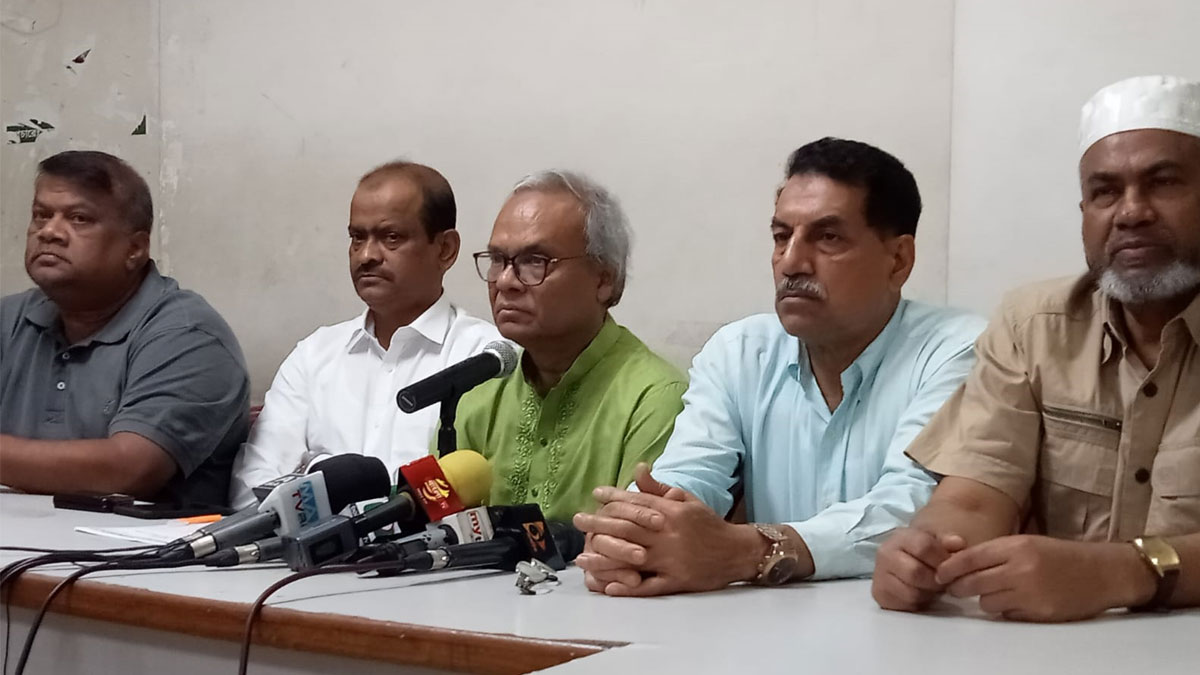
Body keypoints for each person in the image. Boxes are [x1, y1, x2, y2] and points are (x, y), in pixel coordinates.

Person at [573, 138, 985, 595]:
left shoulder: (958, 350)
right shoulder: (740, 352)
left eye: (828, 238)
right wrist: (630, 533)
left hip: (908, 626)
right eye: (781, 236)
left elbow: (913, 510)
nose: (791, 263)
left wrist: (752, 550)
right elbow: (687, 476)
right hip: (763, 630)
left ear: (898, 260)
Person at [872, 75, 1200, 621]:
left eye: (1163, 183)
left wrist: (1125, 572)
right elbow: (974, 498)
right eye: (1104, 192)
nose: (1130, 212)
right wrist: (928, 553)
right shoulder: (1033, 326)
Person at [230, 161, 499, 508]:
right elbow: (252, 488)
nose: (367, 255)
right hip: (308, 543)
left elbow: (494, 491)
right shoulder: (314, 356)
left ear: (445, 249)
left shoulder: (485, 358)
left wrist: (312, 480)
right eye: (357, 238)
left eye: (391, 237)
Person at [1, 150, 249, 505]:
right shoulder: (11, 318)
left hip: (131, 540)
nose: (50, 232)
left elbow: (130, 470)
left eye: (79, 218)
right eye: (41, 215)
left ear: (134, 249)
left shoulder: (187, 334)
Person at [451, 170, 687, 521]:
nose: (505, 281)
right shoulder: (478, 395)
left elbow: (638, 537)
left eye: (535, 262)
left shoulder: (654, 399)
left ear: (604, 280)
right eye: (498, 260)